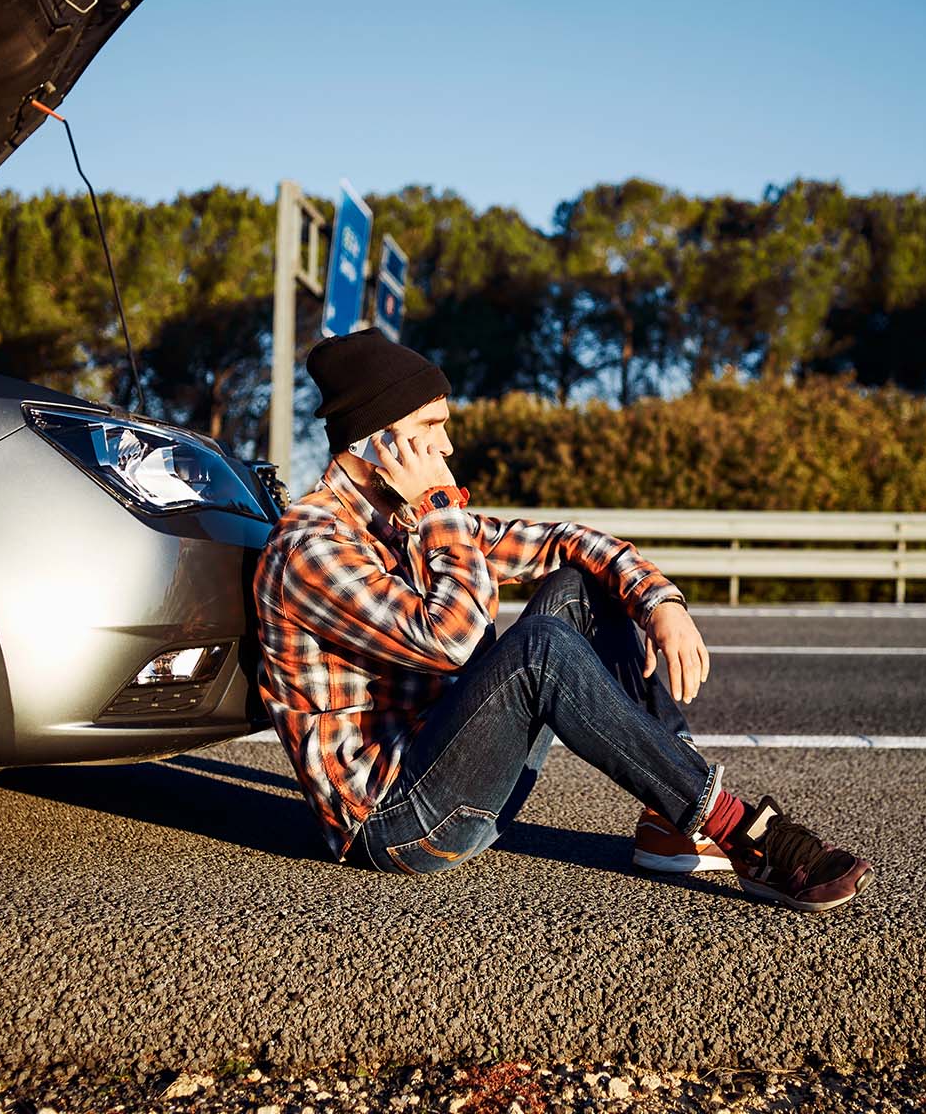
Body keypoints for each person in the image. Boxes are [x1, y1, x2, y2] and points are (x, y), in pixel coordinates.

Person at [253, 328, 872, 913]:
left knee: (579, 584)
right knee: (539, 650)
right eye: (431, 427)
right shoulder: (311, 546)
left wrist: (660, 602)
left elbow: (564, 540)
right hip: (396, 824)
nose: (446, 447)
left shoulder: (409, 521)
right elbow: (450, 641)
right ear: (379, 441)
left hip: (460, 781)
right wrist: (439, 509)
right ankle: (742, 832)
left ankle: (674, 820)